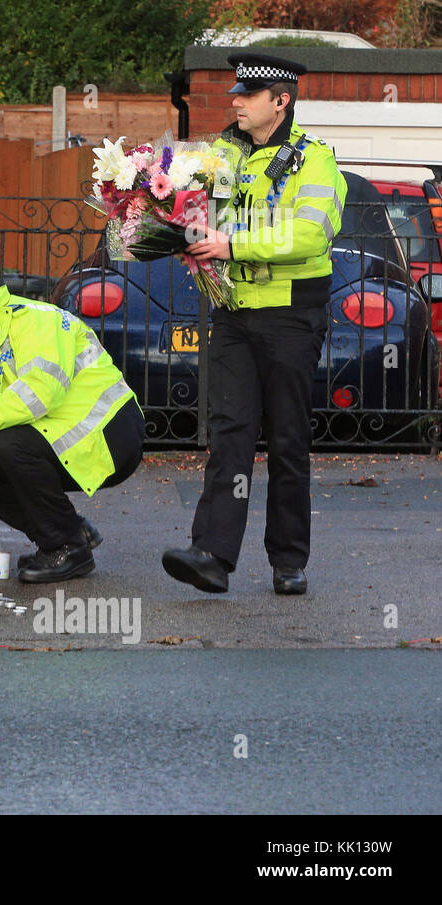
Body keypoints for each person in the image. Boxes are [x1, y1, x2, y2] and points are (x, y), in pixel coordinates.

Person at [162, 53, 345, 596]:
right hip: (235, 314)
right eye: (235, 92)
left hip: (291, 316)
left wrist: (231, 243)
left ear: (280, 101)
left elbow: (311, 236)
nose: (234, 101)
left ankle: (288, 561)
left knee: (288, 439)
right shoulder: (221, 153)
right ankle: (212, 554)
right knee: (229, 434)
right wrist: (180, 235)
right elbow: (183, 204)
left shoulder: (314, 161)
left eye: (247, 94)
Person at [0, 256, 145, 583]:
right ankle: (69, 529)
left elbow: (37, 396)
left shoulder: (36, 321)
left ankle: (67, 547)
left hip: (109, 433)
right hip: (61, 433)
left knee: (13, 446)